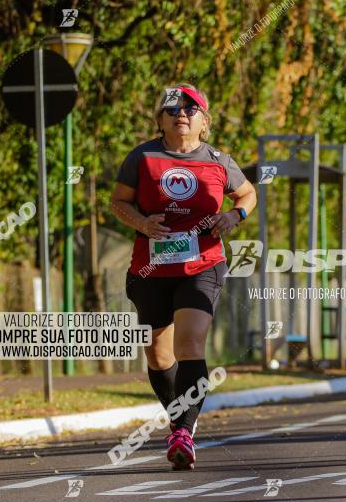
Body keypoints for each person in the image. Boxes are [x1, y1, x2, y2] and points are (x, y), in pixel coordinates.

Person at [110, 83, 257, 471]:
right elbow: (118, 202)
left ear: (204, 122)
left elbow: (248, 194)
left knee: (190, 342)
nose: (182, 113)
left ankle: (184, 431)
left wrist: (233, 215)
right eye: (172, 107)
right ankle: (178, 420)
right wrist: (142, 222)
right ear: (159, 119)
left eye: (192, 109)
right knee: (159, 353)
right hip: (150, 267)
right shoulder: (141, 158)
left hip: (202, 265)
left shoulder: (219, 161)